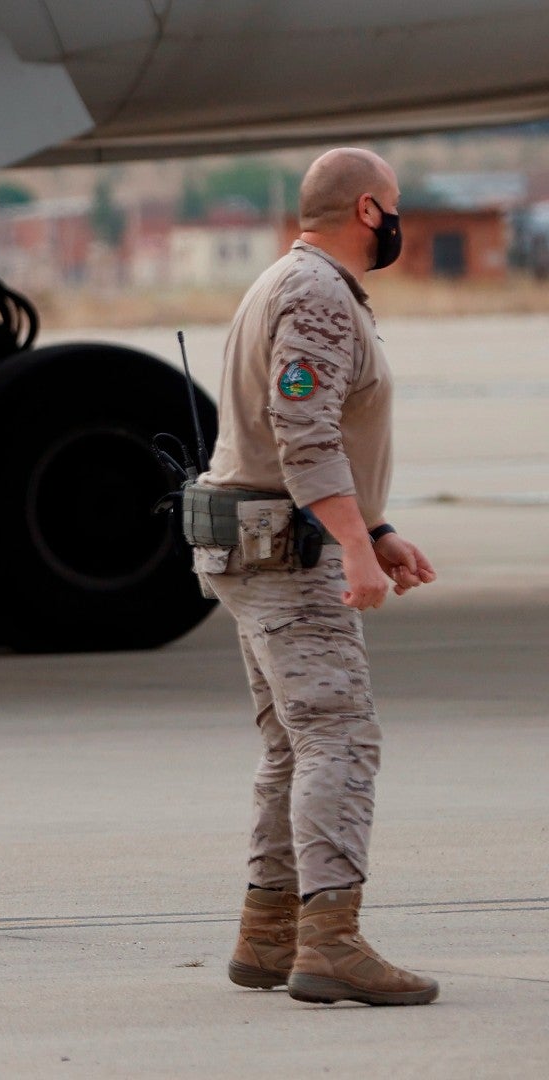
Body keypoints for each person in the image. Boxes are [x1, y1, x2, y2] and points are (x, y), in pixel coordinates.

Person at [188, 148, 439, 1005]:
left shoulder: (287, 281)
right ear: (370, 210)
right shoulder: (320, 294)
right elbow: (302, 434)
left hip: (263, 543)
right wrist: (355, 551)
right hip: (289, 555)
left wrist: (377, 527)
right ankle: (330, 942)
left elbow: (304, 433)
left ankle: (270, 936)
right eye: (395, 205)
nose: (398, 218)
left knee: (294, 744)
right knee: (340, 736)